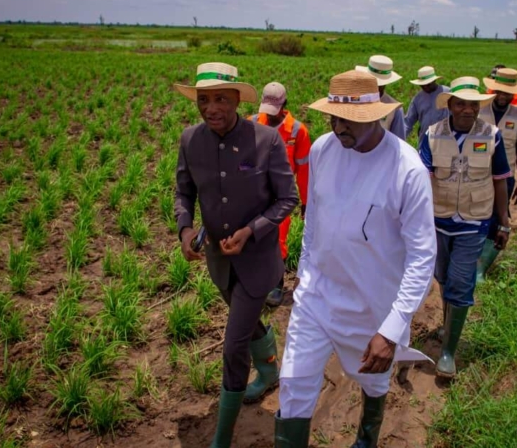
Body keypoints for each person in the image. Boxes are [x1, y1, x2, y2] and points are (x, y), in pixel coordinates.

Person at [274, 70, 437, 447]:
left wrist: (392, 329)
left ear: (378, 116)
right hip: (316, 295)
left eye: (349, 120)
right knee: (294, 385)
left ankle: (365, 438)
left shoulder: (407, 169)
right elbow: (312, 216)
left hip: (372, 306)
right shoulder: (323, 149)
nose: (338, 127)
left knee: (373, 379)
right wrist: (304, 270)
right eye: (334, 116)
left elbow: (422, 256)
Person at [173, 62, 298, 448]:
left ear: (237, 100)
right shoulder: (190, 139)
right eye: (204, 99)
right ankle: (269, 370)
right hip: (218, 261)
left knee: (232, 346)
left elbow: (287, 199)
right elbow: (184, 192)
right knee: (244, 325)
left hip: (258, 262)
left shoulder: (266, 141)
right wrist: (185, 228)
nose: (211, 108)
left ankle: (222, 438)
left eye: (221, 100)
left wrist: (251, 231)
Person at [419, 76, 511, 378]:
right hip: (439, 221)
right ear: (451, 106)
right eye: (461, 104)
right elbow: (422, 182)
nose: (468, 110)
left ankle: (448, 352)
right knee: (443, 277)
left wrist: (504, 222)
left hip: (474, 222)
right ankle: (448, 325)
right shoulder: (432, 135)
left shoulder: (492, 136)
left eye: (473, 104)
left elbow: (500, 182)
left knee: (460, 282)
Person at [249, 82, 312, 306]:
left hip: (281, 197)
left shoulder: (297, 131)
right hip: (253, 193)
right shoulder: (253, 123)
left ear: (284, 104)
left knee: (278, 240)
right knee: (252, 236)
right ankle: (254, 280)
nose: (270, 117)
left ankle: (276, 284)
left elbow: (304, 170)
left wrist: (306, 202)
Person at [477, 68, 517, 283]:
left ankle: (481, 268)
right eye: (499, 91)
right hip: (479, 174)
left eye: (508, 92)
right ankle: (470, 260)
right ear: (493, 89)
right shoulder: (480, 111)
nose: (503, 96)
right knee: (476, 215)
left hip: (505, 177)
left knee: (499, 218)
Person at [356, 55, 407, 140]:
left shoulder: (395, 109)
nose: (373, 86)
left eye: (378, 84)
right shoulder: (354, 100)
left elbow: (399, 142)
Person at [404, 66, 451, 143]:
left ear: (434, 81)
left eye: (428, 84)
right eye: (422, 85)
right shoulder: (417, 99)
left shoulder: (447, 93)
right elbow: (408, 122)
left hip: (446, 140)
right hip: (425, 141)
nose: (425, 87)